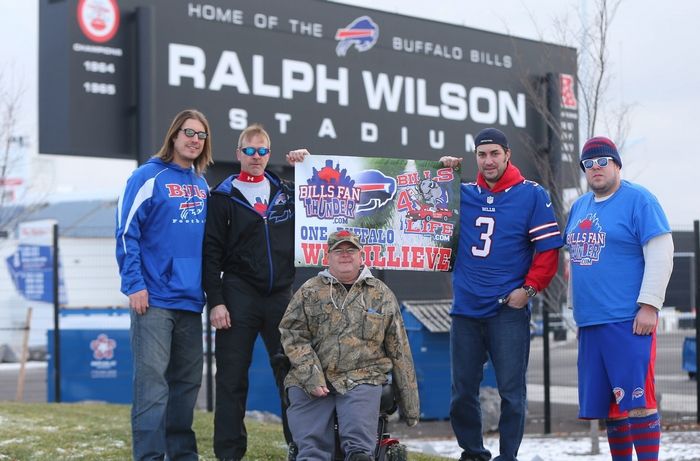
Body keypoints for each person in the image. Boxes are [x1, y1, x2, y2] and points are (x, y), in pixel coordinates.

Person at [440, 128, 563, 461]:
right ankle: (473, 452)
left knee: (512, 393)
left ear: (507, 154)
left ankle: (508, 456)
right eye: (482, 154)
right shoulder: (461, 192)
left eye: (494, 153)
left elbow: (549, 250)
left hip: (506, 310)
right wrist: (442, 173)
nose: (488, 160)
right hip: (466, 308)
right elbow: (414, 201)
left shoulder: (531, 194)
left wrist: (528, 289)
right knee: (462, 391)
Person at [202, 123, 308, 461]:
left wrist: (307, 164)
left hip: (280, 296)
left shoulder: (287, 191)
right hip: (237, 296)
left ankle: (300, 449)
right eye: (250, 150)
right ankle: (229, 454)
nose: (257, 157)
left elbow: (327, 196)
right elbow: (210, 253)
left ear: (269, 154)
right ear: (238, 154)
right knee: (231, 380)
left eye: (263, 151)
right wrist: (216, 301)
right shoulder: (222, 195)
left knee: (292, 376)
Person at [566, 137, 673, 461]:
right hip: (591, 321)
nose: (596, 168)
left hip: (628, 320)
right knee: (611, 406)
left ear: (616, 164)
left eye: (602, 161)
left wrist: (650, 305)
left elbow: (661, 253)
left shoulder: (639, 200)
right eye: (589, 163)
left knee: (638, 401)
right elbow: (575, 259)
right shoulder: (579, 206)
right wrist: (575, 306)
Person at [115, 109, 213, 461]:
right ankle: (151, 457)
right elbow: (127, 232)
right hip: (153, 299)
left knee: (186, 387)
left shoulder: (202, 185)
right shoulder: (146, 176)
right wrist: (134, 284)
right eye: (188, 132)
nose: (194, 140)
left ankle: (182, 455)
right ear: (174, 135)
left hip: (190, 301)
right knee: (152, 387)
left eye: (201, 135)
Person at [280, 230, 420, 460]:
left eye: (351, 250)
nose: (345, 255)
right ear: (327, 257)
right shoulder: (309, 291)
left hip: (363, 377)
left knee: (359, 450)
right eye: (338, 251)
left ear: (361, 256)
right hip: (312, 379)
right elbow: (292, 334)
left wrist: (410, 407)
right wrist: (311, 375)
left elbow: (400, 350)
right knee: (311, 451)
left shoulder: (381, 294)